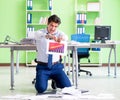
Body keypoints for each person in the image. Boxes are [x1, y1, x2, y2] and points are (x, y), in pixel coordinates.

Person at [34, 14, 71, 93]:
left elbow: (66, 37)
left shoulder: (59, 33)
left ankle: (55, 80)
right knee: (40, 89)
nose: (53, 28)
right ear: (48, 23)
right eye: (51, 25)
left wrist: (62, 38)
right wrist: (48, 36)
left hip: (56, 66)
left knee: (67, 86)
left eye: (55, 26)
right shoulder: (40, 33)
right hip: (43, 66)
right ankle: (43, 78)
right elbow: (37, 35)